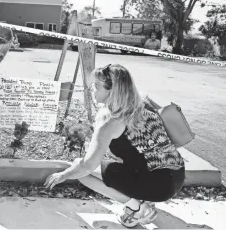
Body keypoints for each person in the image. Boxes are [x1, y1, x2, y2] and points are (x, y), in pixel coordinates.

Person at [44, 64, 185, 228]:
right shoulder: (144, 106)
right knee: (112, 161)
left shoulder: (110, 123)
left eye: (96, 87)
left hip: (159, 186)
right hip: (176, 176)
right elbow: (135, 146)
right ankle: (146, 199)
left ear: (112, 92)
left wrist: (63, 175)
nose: (91, 90)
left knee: (79, 170)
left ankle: (137, 208)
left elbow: (87, 166)